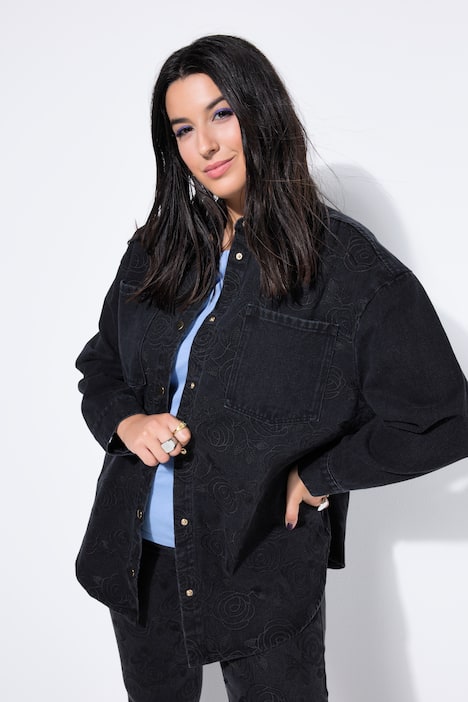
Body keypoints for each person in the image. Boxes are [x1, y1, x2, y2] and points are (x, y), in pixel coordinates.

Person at [75, 34, 468, 702]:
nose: (206, 144)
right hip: (137, 559)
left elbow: (441, 417)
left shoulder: (350, 269)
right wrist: (129, 422)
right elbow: (101, 364)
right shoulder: (157, 249)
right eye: (183, 129)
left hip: (260, 569)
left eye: (222, 113)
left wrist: (322, 475)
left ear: (261, 111)